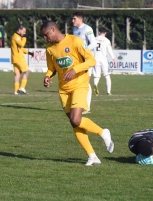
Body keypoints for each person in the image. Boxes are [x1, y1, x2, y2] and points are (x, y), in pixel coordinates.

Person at [41, 21, 114, 166]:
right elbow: (52, 68)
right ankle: (92, 156)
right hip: (63, 90)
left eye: (46, 35)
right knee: (75, 124)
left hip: (79, 85)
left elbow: (91, 60)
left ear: (53, 29)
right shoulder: (49, 48)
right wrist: (48, 76)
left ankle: (103, 132)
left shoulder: (75, 41)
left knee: (75, 119)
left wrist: (75, 69)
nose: (45, 38)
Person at [72, 12, 97, 114]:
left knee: (86, 82)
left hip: (87, 59)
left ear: (79, 19)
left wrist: (83, 50)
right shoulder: (74, 29)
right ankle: (78, 104)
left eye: (74, 19)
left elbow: (94, 43)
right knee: (78, 81)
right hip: (78, 59)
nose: (72, 21)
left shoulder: (87, 29)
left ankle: (87, 107)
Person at [11, 25, 34, 95]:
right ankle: (22, 88)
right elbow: (21, 45)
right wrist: (24, 38)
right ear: (19, 30)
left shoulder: (16, 37)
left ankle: (16, 91)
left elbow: (20, 49)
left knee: (17, 74)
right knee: (27, 71)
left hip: (15, 58)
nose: (24, 33)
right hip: (18, 58)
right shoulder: (16, 37)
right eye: (24, 31)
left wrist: (29, 52)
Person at [93, 27, 116, 96]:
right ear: (105, 33)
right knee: (107, 75)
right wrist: (114, 59)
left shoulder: (94, 39)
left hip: (95, 60)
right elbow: (109, 50)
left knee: (97, 76)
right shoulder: (106, 40)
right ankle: (108, 92)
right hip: (104, 60)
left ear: (99, 32)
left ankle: (95, 87)